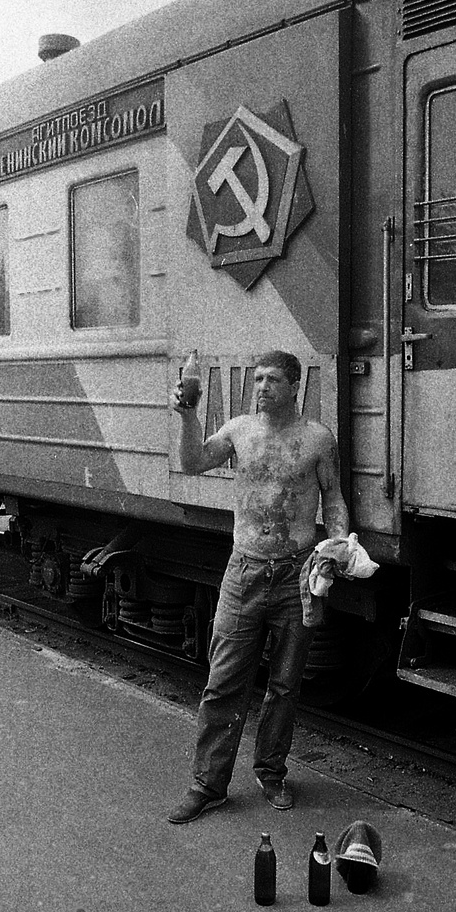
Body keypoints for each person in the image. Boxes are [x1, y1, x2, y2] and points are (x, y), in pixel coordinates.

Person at [167, 350, 349, 823]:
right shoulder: (238, 430)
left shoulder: (317, 439)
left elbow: (333, 497)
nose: (261, 386)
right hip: (244, 571)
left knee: (286, 685)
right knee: (223, 682)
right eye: (258, 379)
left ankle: (271, 773)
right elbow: (192, 462)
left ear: (294, 386)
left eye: (271, 380)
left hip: (297, 575)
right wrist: (188, 412)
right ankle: (208, 784)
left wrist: (337, 548)